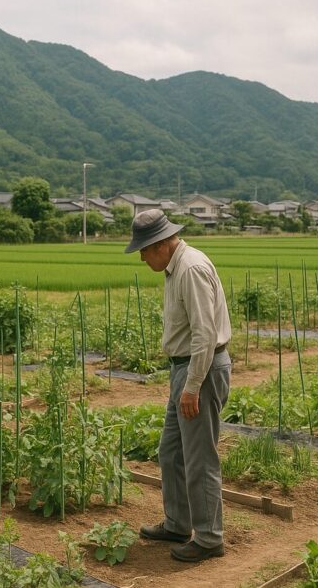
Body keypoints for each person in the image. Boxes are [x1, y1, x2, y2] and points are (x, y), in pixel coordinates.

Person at [124, 209, 232, 563]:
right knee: (171, 452)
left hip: (199, 372)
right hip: (185, 371)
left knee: (200, 458)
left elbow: (204, 334)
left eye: (143, 250)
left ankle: (209, 537)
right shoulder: (176, 267)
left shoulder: (191, 268)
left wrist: (191, 386)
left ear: (161, 244)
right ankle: (177, 522)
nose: (141, 257)